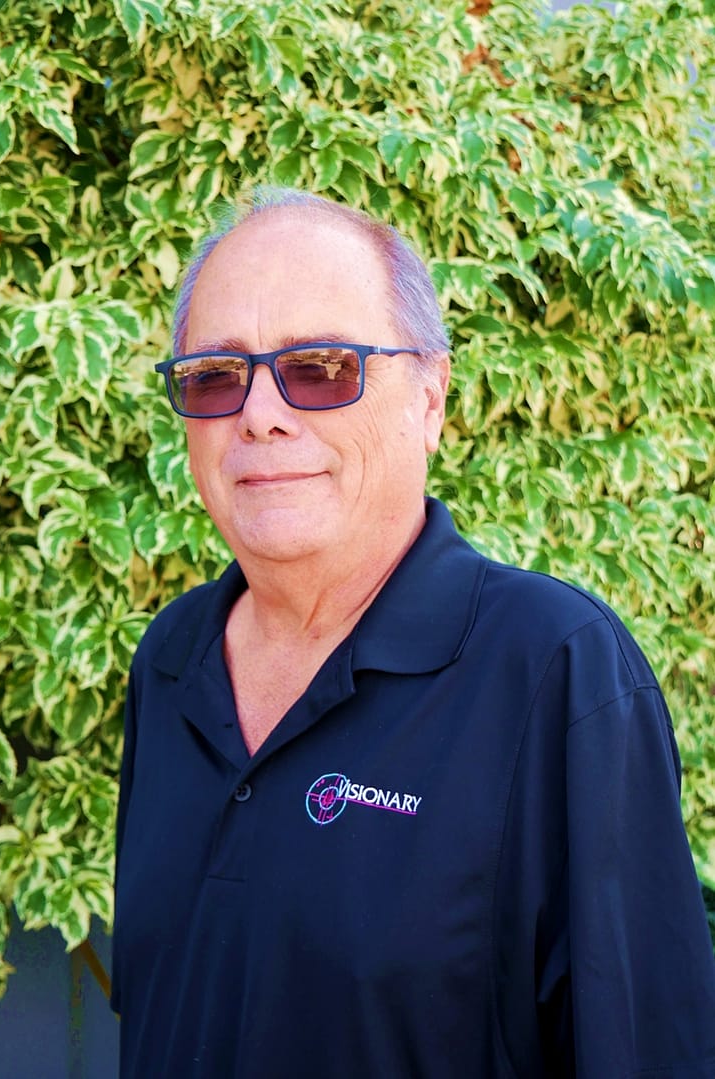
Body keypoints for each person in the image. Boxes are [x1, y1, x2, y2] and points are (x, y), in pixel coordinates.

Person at [111, 187, 715, 1078]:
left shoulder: (556, 671)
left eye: (320, 365)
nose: (261, 413)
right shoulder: (172, 660)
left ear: (430, 397)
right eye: (215, 374)